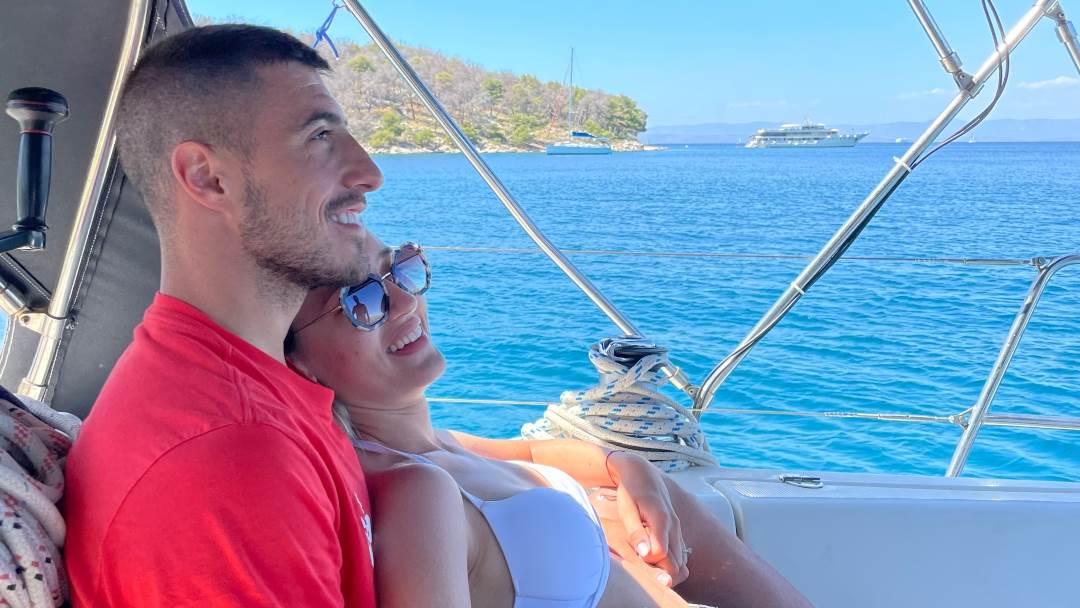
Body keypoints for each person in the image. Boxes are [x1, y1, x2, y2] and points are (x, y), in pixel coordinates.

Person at [287, 238, 815, 608]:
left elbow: (532, 453)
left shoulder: (438, 443)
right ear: (299, 363)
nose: (406, 300)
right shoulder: (413, 492)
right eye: (362, 302)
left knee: (665, 496)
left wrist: (625, 466)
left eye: (399, 269)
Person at [64, 25, 383, 606]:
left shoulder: (251, 384)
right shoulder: (231, 456)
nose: (369, 173)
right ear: (208, 178)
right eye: (319, 136)